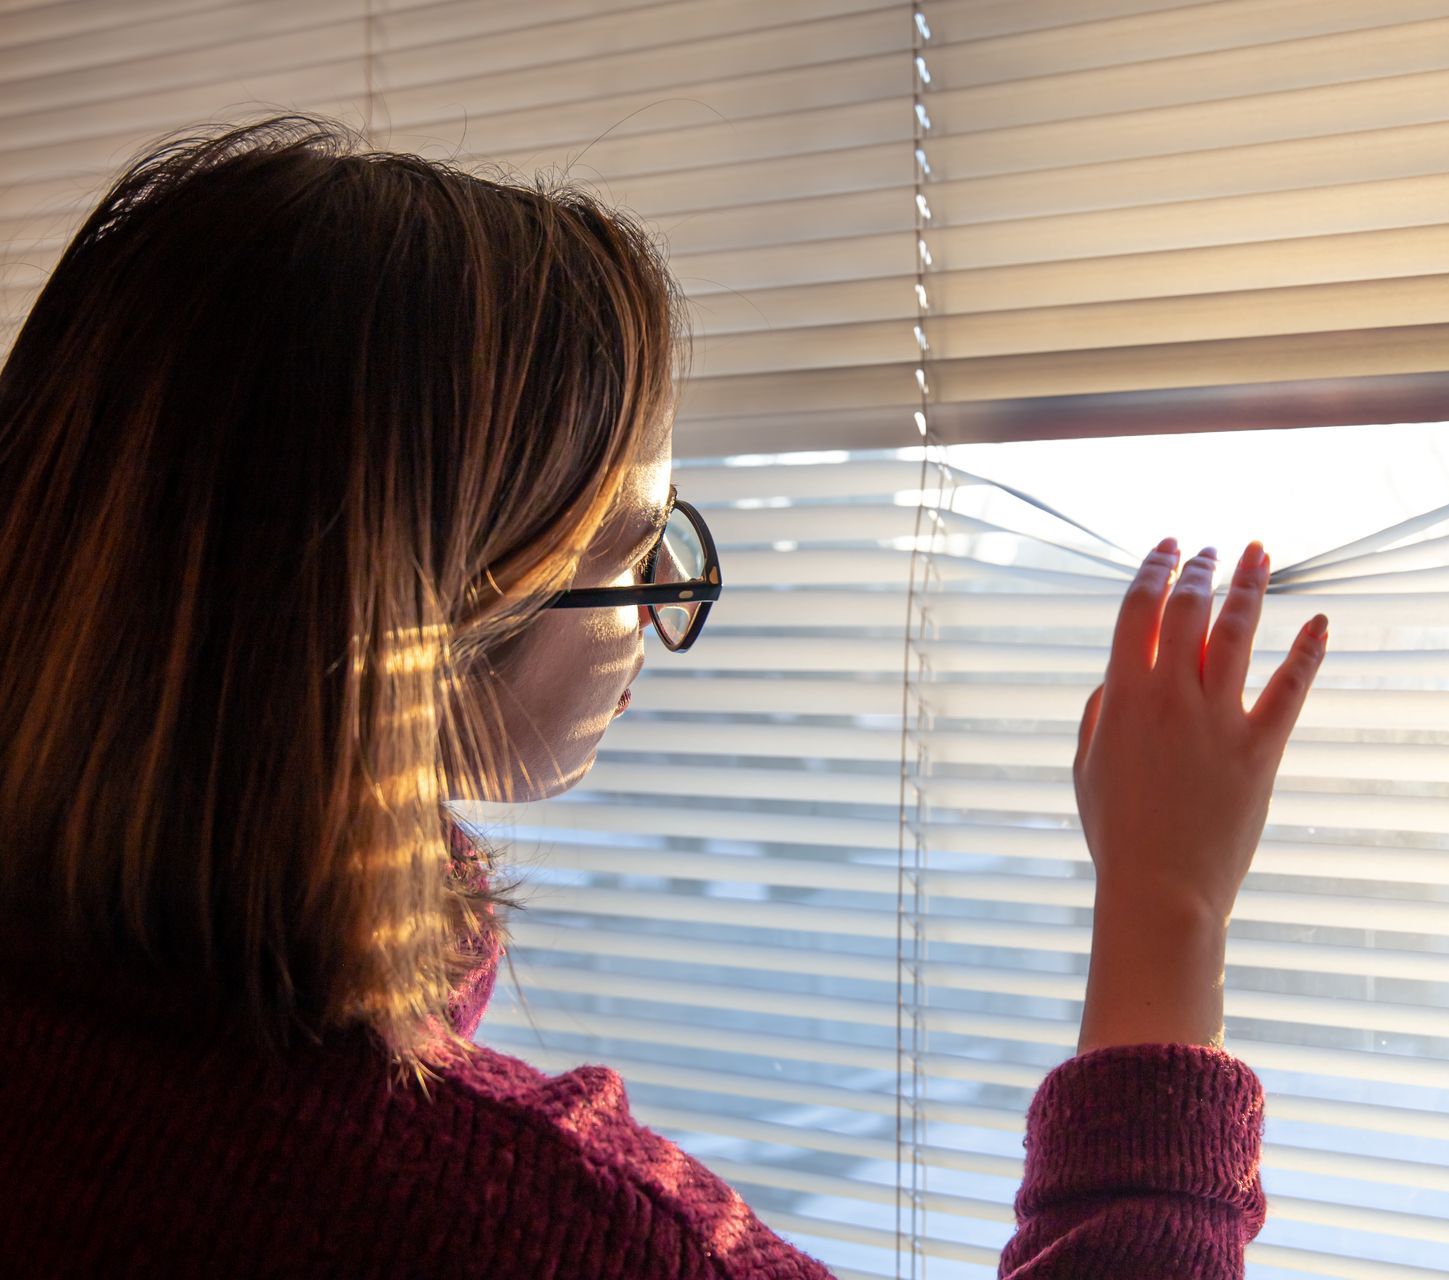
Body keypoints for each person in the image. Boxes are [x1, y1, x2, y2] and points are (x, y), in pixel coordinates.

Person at [0, 115, 1328, 1277]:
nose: (661, 608)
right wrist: (1169, 910)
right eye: (625, 546)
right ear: (435, 607)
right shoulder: (528, 1225)